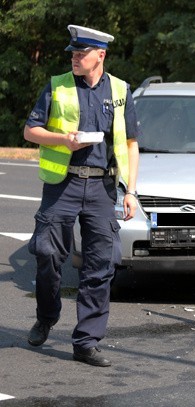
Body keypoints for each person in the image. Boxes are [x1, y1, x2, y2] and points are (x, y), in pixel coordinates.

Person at [23, 24, 140, 367]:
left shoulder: (119, 90)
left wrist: (131, 191)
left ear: (99, 56)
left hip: (103, 188)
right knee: (46, 253)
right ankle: (47, 315)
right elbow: (30, 130)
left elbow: (131, 144)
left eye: (81, 53)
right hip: (64, 184)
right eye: (73, 53)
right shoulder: (57, 85)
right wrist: (64, 140)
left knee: (101, 263)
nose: (74, 58)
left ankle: (86, 341)